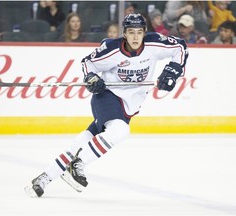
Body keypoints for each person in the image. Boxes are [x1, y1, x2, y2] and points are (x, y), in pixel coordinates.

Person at [29, 13, 188, 197]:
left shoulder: (154, 44)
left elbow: (180, 47)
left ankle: (44, 178)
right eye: (131, 32)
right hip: (107, 96)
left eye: (139, 32)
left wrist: (173, 70)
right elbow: (88, 62)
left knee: (84, 140)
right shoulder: (111, 49)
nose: (135, 37)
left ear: (145, 32)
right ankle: (79, 164)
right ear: (124, 33)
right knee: (120, 130)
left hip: (128, 106)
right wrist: (92, 77)